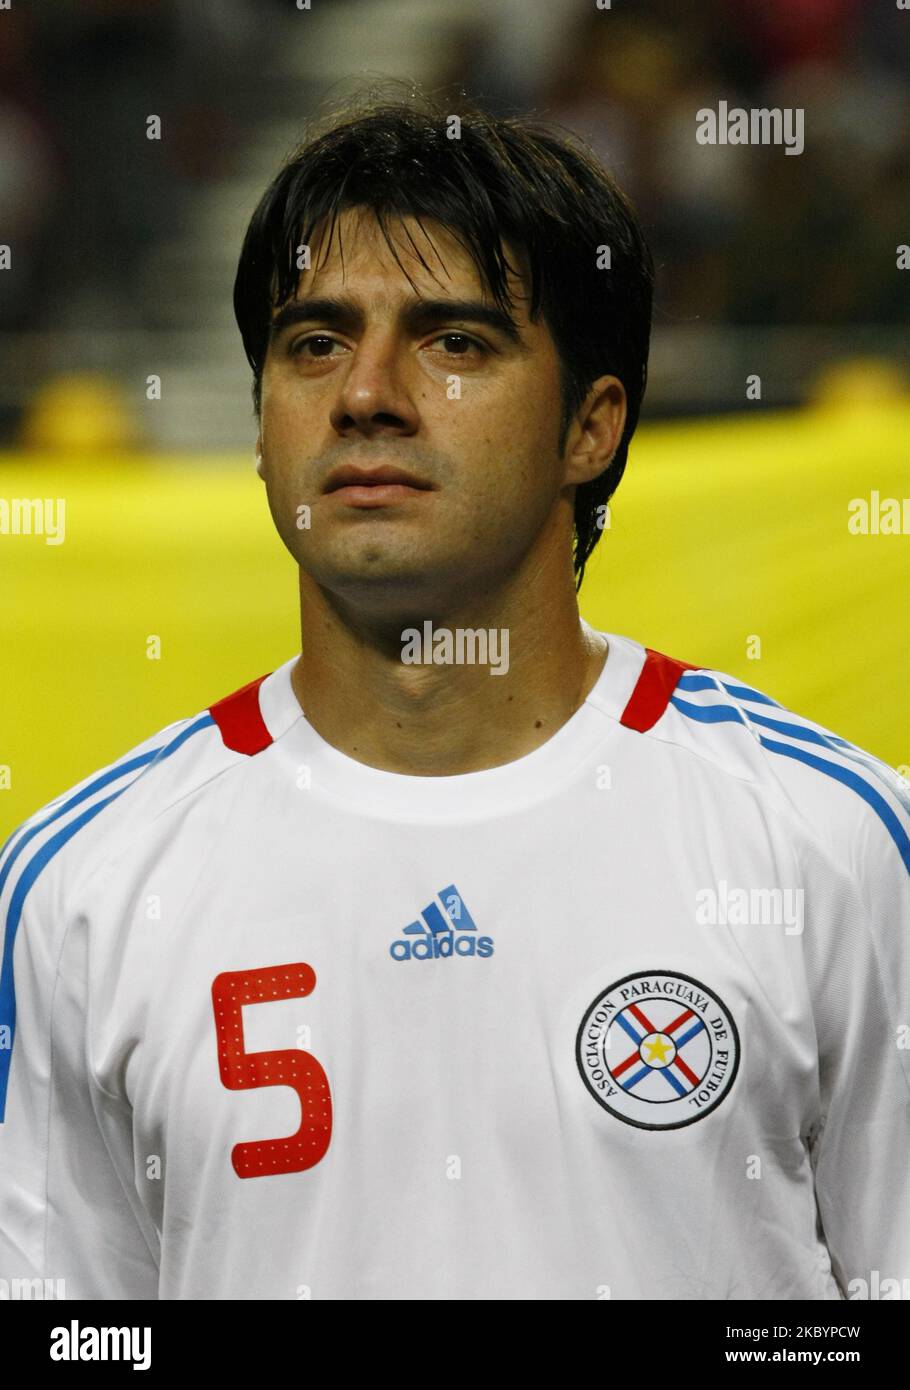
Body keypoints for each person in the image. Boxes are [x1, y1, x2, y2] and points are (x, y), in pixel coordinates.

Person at [1, 88, 907, 1301]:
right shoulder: (83, 888)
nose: (365, 392)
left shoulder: (830, 844)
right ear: (264, 429)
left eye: (454, 341)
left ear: (591, 426)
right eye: (313, 341)